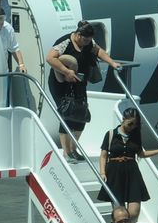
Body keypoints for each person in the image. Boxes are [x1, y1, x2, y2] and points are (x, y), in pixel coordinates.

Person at [46, 20, 122, 161]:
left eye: (90, 40)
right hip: (61, 83)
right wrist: (66, 71)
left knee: (81, 115)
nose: (88, 42)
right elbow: (50, 58)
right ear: (79, 35)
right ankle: (66, 152)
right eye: (86, 39)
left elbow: (99, 51)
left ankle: (74, 149)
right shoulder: (65, 42)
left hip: (79, 82)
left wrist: (112, 63)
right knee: (67, 114)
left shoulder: (89, 43)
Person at [97, 107, 158, 223]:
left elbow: (141, 154)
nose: (133, 127)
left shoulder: (135, 135)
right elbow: (103, 155)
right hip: (114, 174)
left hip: (132, 174)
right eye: (130, 123)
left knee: (134, 213)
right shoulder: (111, 134)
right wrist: (102, 172)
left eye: (135, 124)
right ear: (123, 119)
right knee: (119, 213)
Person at [0, 7, 26, 74]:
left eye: (2, 19)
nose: (0, 22)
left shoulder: (8, 28)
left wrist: (21, 65)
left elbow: (15, 48)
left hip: (3, 70)